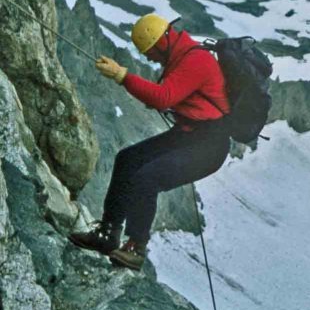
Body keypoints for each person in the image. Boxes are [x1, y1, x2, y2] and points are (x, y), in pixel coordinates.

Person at [69, 14, 231, 271]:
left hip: (208, 145)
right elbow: (171, 95)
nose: (148, 58)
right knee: (127, 159)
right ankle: (108, 234)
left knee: (147, 178)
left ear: (161, 43)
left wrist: (122, 75)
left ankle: (136, 247)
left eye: (149, 52)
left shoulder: (195, 59)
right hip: (190, 135)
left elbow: (163, 97)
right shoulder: (183, 55)